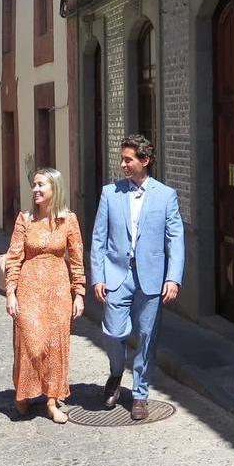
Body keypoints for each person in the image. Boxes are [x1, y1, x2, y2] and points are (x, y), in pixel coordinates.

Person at [91, 135, 184, 421]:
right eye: (122, 159)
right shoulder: (110, 193)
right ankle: (117, 372)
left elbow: (175, 239)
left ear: (145, 161)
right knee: (113, 332)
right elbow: (98, 238)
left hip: (152, 278)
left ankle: (140, 393)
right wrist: (98, 276)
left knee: (146, 337)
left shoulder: (166, 196)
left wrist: (173, 278)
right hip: (117, 275)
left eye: (128, 159)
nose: (123, 164)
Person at [4, 168, 86, 423]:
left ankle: (51, 399)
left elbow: (77, 259)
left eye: (41, 185)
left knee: (55, 344)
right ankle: (24, 390)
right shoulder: (25, 219)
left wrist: (79, 293)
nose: (36, 190)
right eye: (34, 185)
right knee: (30, 342)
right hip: (29, 288)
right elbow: (14, 256)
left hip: (58, 290)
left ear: (55, 189)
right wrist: (10, 292)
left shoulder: (68, 220)